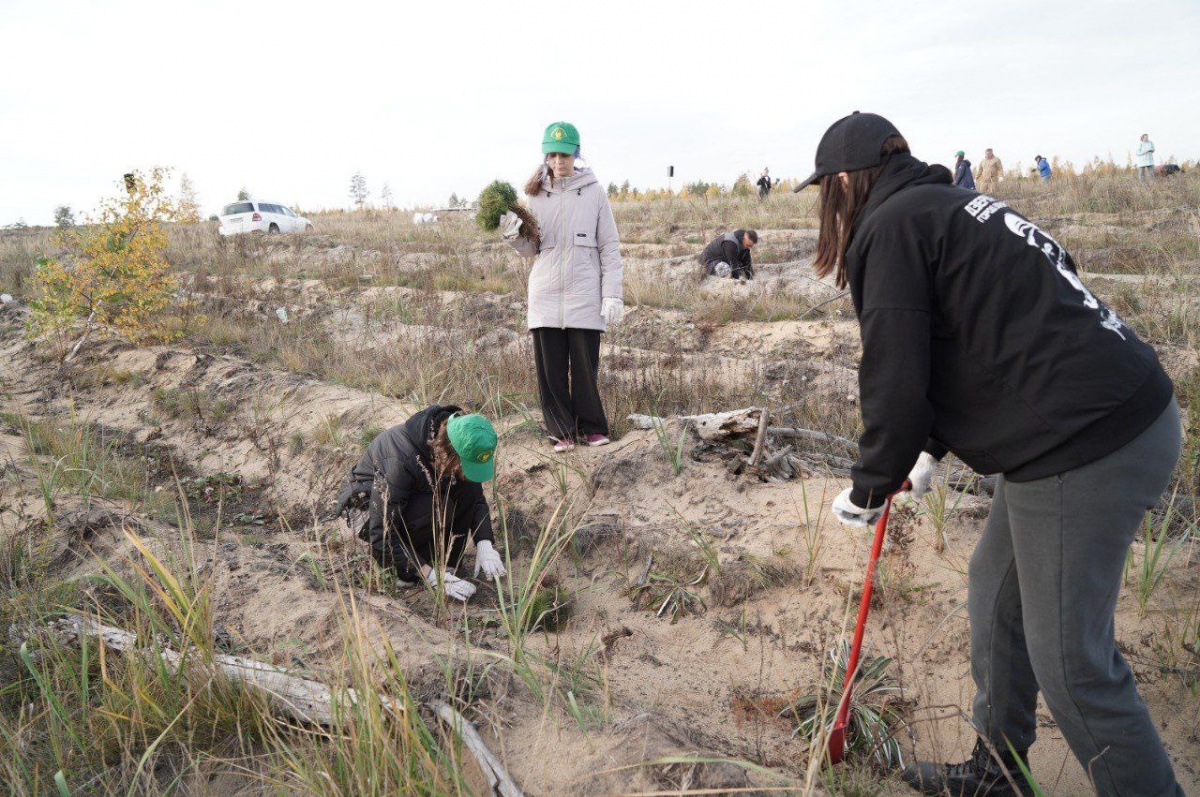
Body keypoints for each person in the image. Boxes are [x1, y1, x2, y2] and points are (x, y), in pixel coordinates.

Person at [796, 111, 1183, 797]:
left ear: (846, 182)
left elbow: (895, 376)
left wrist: (870, 484)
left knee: (1073, 666)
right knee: (996, 593)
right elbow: (987, 333)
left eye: (827, 191)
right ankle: (1000, 773)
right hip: (1113, 412)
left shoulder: (891, 228)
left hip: (1085, 442)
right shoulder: (953, 205)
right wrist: (929, 451)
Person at [499, 122, 623, 453]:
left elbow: (609, 246)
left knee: (585, 369)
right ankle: (560, 431)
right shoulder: (534, 196)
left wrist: (612, 293)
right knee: (551, 372)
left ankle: (592, 428)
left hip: (585, 294)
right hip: (546, 295)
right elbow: (530, 250)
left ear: (576, 155)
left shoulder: (594, 193)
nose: (558, 161)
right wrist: (513, 236)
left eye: (564, 155)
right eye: (552, 155)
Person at [335, 407, 504, 602]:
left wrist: (484, 543)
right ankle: (402, 573)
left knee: (464, 488)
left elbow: (475, 497)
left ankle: (447, 565)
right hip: (367, 511)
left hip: (412, 497)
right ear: (447, 452)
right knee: (436, 508)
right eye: (464, 464)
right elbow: (383, 532)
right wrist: (430, 575)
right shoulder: (401, 458)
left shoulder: (460, 440)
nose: (466, 472)